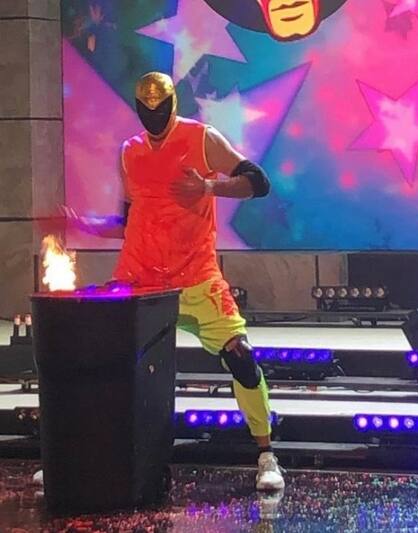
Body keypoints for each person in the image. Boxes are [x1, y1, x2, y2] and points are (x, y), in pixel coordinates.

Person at [62, 72, 282, 491]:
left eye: (159, 109)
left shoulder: (201, 138)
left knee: (240, 356)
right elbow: (128, 220)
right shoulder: (130, 151)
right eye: (146, 110)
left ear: (172, 105)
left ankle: (266, 454)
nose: (154, 116)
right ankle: (88, 454)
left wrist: (209, 186)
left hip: (196, 277)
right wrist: (86, 225)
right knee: (102, 360)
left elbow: (258, 182)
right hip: (138, 277)